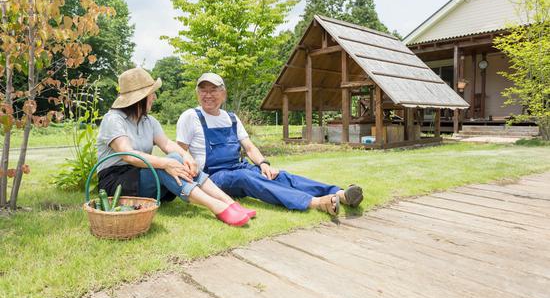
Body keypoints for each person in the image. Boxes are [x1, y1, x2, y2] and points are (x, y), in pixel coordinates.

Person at [176, 72, 364, 215]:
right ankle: (314, 202)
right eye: (203, 90)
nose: (207, 95)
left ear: (223, 94)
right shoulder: (190, 117)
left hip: (238, 167)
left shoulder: (231, 118)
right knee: (245, 177)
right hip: (212, 178)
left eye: (213, 90)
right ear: (197, 93)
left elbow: (249, 147)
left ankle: (339, 193)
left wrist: (264, 164)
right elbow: (180, 152)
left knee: (279, 176)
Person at [96, 68, 255, 227]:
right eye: (152, 93)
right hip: (116, 182)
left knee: (177, 158)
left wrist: (188, 157)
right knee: (166, 163)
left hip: (141, 176)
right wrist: (166, 163)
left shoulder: (149, 121)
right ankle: (216, 206)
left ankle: (229, 202)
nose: (154, 97)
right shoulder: (113, 119)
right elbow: (128, 155)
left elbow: (167, 144)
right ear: (141, 98)